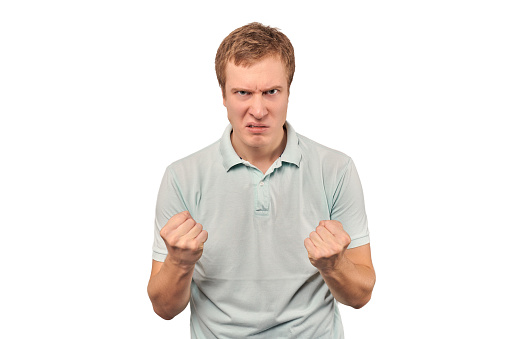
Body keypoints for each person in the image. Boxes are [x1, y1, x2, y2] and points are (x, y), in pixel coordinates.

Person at [147, 22, 376, 338]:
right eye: (243, 93)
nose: (258, 110)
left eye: (271, 92)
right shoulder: (181, 177)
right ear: (224, 97)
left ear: (288, 93)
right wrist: (179, 263)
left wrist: (334, 266)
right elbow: (164, 308)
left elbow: (361, 295)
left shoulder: (336, 169)